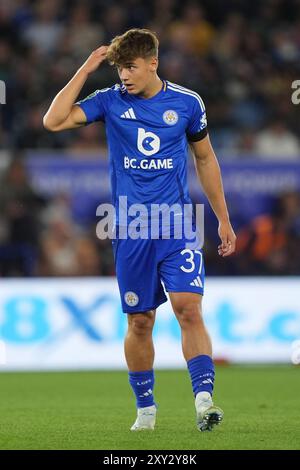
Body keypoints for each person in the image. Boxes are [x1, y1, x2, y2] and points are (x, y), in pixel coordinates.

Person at [43, 28, 236, 432]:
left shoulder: (187, 103)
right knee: (140, 321)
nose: (124, 76)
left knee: (188, 307)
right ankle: (146, 409)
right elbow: (53, 120)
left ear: (153, 63)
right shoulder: (110, 101)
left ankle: (204, 401)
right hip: (130, 228)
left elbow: (205, 159)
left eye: (130, 67)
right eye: (118, 68)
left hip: (177, 225)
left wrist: (223, 218)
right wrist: (88, 67)